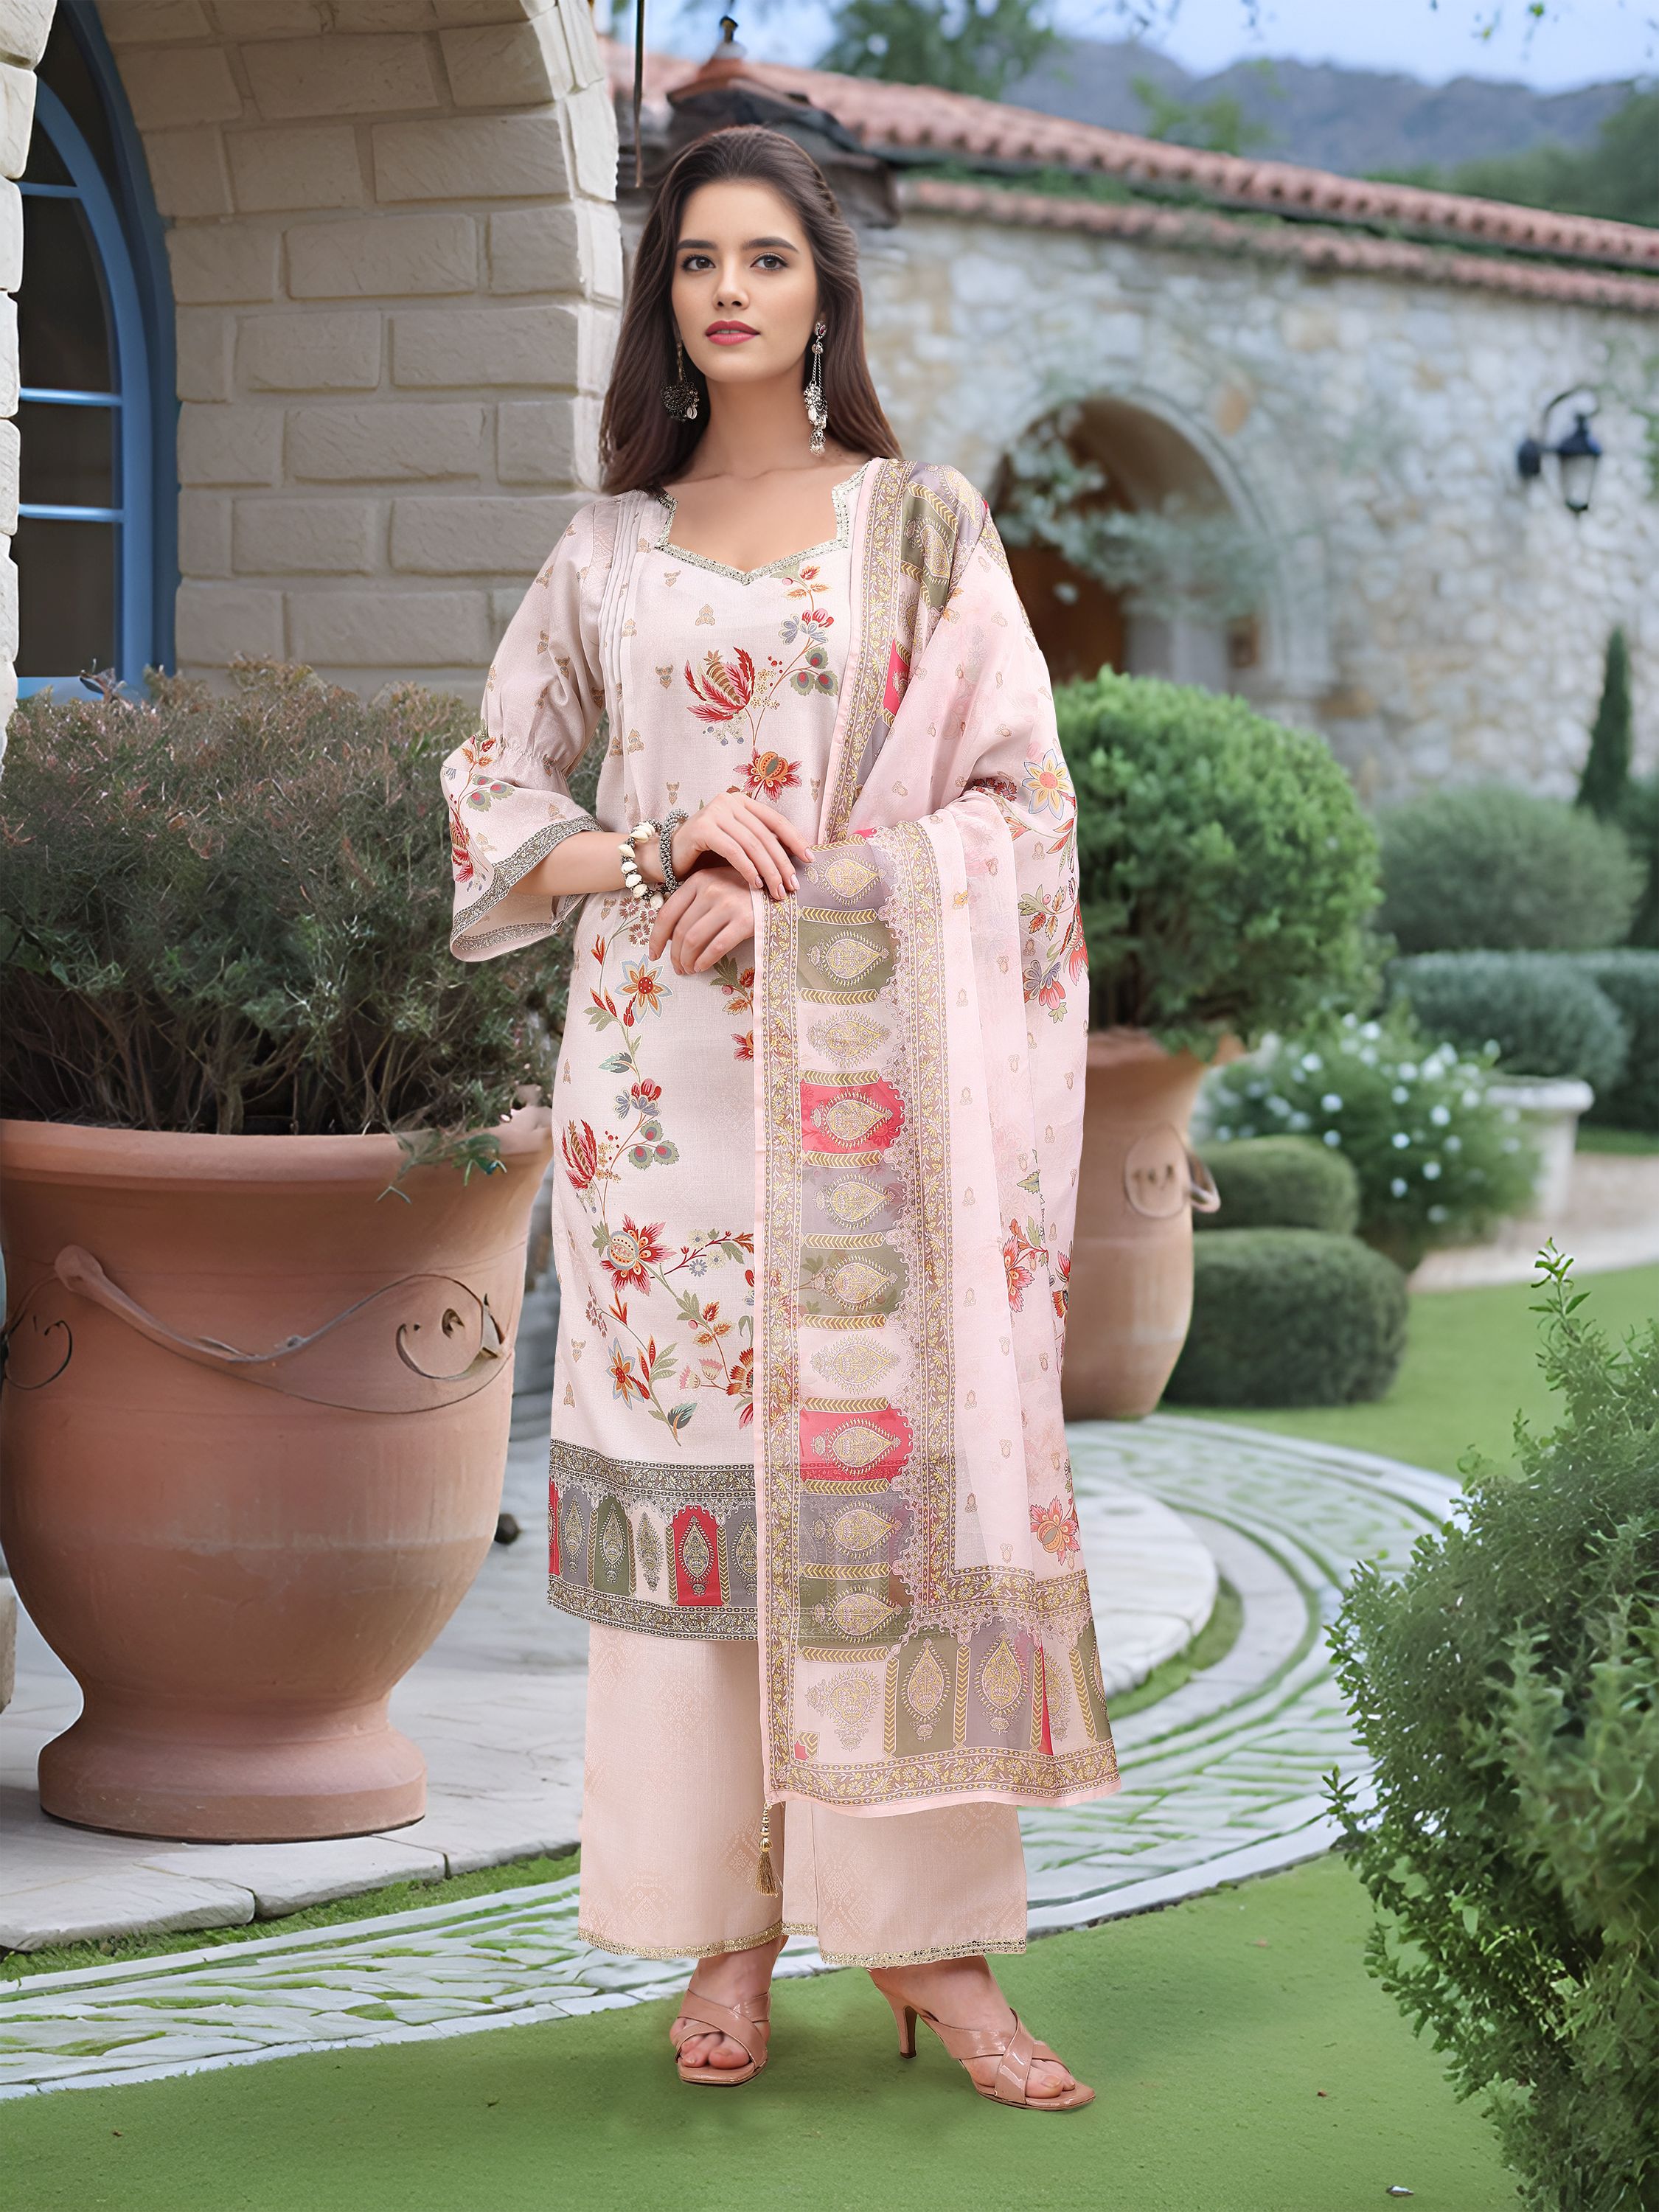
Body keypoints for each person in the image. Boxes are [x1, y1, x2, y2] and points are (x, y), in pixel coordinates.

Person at [443, 122, 1116, 2112]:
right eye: (695, 262)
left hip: (871, 1101)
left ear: (824, 293)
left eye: (766, 259)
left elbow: (1020, 811)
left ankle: (925, 1940)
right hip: (660, 1109)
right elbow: (494, 798)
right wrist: (660, 848)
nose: (728, 291)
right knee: (698, 1514)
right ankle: (719, 1928)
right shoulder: (607, 550)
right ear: (662, 301)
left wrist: (811, 888)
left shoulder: (920, 529)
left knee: (877, 1505)